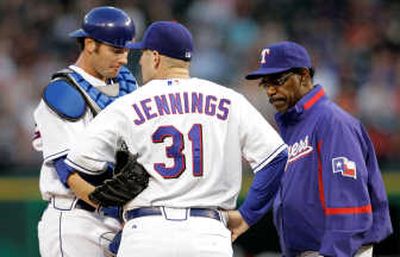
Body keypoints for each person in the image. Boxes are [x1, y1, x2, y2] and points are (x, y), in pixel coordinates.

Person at [61, 21, 288, 257]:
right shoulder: (230, 100)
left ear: (156, 57)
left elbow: (73, 168)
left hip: (146, 233)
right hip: (208, 235)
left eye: (144, 54)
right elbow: (276, 158)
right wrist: (247, 215)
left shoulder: (127, 106)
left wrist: (108, 207)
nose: (139, 61)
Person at [232, 40, 393, 257]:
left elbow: (348, 203)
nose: (270, 90)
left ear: (304, 76)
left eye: (278, 81)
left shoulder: (332, 122)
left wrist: (333, 252)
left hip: (340, 252)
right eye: (265, 83)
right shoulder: (292, 127)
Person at [32, 6, 138, 257]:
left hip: (118, 219)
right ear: (90, 44)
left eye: (125, 50)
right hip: (76, 220)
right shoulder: (63, 92)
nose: (123, 59)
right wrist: (116, 209)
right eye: (116, 50)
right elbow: (69, 172)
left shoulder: (126, 85)